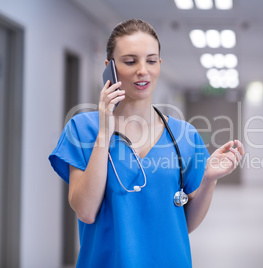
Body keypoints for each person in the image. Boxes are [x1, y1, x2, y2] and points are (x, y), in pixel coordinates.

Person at [49, 19, 244, 267]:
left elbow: (185, 225)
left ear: (159, 65)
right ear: (110, 67)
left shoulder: (183, 136)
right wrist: (105, 130)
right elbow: (86, 212)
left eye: (151, 60)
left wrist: (208, 179)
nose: (143, 70)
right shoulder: (82, 129)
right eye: (130, 61)